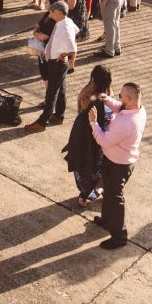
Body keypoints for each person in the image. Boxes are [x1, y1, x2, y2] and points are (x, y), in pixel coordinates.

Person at [93, 82, 145, 249]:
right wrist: (108, 100)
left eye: (121, 96)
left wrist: (93, 123)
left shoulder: (127, 123)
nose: (119, 98)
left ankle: (119, 236)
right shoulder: (138, 109)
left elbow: (104, 140)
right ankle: (107, 221)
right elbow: (120, 107)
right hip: (117, 161)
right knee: (109, 192)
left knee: (115, 198)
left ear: (129, 98)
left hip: (118, 165)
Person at [65, 64, 113, 205]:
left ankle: (85, 195)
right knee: (101, 168)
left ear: (93, 79)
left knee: (86, 167)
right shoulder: (110, 96)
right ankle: (99, 191)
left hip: (87, 138)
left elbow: (80, 111)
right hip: (104, 141)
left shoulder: (87, 96)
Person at [30, 0, 79, 130]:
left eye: (52, 11)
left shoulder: (65, 26)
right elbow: (77, 31)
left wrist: (68, 60)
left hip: (57, 64)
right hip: (57, 63)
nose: (50, 13)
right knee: (61, 90)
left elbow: (73, 48)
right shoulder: (65, 21)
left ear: (59, 12)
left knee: (51, 93)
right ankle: (59, 115)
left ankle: (42, 122)